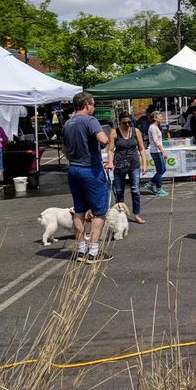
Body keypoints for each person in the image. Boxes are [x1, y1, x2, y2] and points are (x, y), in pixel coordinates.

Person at [62, 91, 112, 263]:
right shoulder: (90, 120)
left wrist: (75, 160)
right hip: (90, 170)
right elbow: (103, 140)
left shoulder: (67, 123)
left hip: (74, 169)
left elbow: (65, 150)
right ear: (87, 105)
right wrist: (108, 139)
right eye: (93, 104)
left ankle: (81, 249)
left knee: (79, 210)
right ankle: (94, 251)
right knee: (99, 211)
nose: (94, 107)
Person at [107, 111, 147, 224]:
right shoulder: (114, 132)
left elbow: (142, 148)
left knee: (136, 190)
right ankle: (121, 215)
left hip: (133, 164)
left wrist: (144, 164)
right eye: (125, 123)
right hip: (119, 165)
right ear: (120, 122)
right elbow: (110, 150)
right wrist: (110, 162)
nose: (128, 125)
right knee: (119, 191)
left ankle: (137, 214)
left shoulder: (136, 131)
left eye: (130, 122)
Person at [144, 111, 169, 196]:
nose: (161, 117)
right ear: (155, 118)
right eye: (160, 116)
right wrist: (163, 151)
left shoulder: (156, 127)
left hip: (157, 151)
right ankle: (158, 189)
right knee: (160, 170)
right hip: (156, 152)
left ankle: (150, 184)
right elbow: (155, 140)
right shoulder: (153, 127)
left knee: (163, 169)